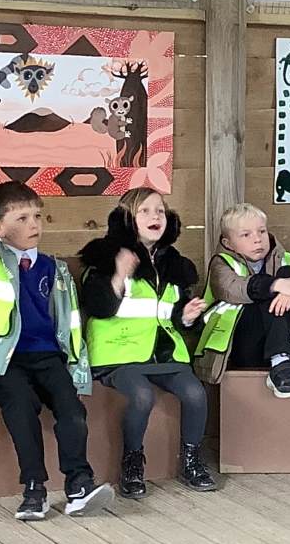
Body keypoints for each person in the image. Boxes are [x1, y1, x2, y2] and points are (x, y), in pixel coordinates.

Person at [0, 176, 108, 521]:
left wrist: (75, 367)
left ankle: (78, 484)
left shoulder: (54, 269)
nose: (34, 225)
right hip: (2, 359)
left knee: (72, 409)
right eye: (22, 218)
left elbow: (67, 323)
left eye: (37, 216)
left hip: (47, 356)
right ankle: (34, 488)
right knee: (21, 406)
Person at [77, 188, 218, 499]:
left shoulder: (175, 264)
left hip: (163, 354)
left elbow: (173, 314)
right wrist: (118, 275)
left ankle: (192, 461)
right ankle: (132, 464)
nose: (155, 216)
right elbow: (97, 306)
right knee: (141, 396)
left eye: (160, 211)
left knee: (195, 393)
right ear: (127, 219)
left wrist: (188, 316)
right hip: (118, 354)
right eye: (145, 211)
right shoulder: (104, 256)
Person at [195, 202, 290, 400]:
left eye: (262, 231)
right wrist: (276, 285)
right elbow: (231, 288)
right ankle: (281, 361)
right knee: (267, 290)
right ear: (228, 243)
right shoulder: (222, 264)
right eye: (246, 235)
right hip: (241, 344)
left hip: (280, 338)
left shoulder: (284, 258)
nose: (257, 239)